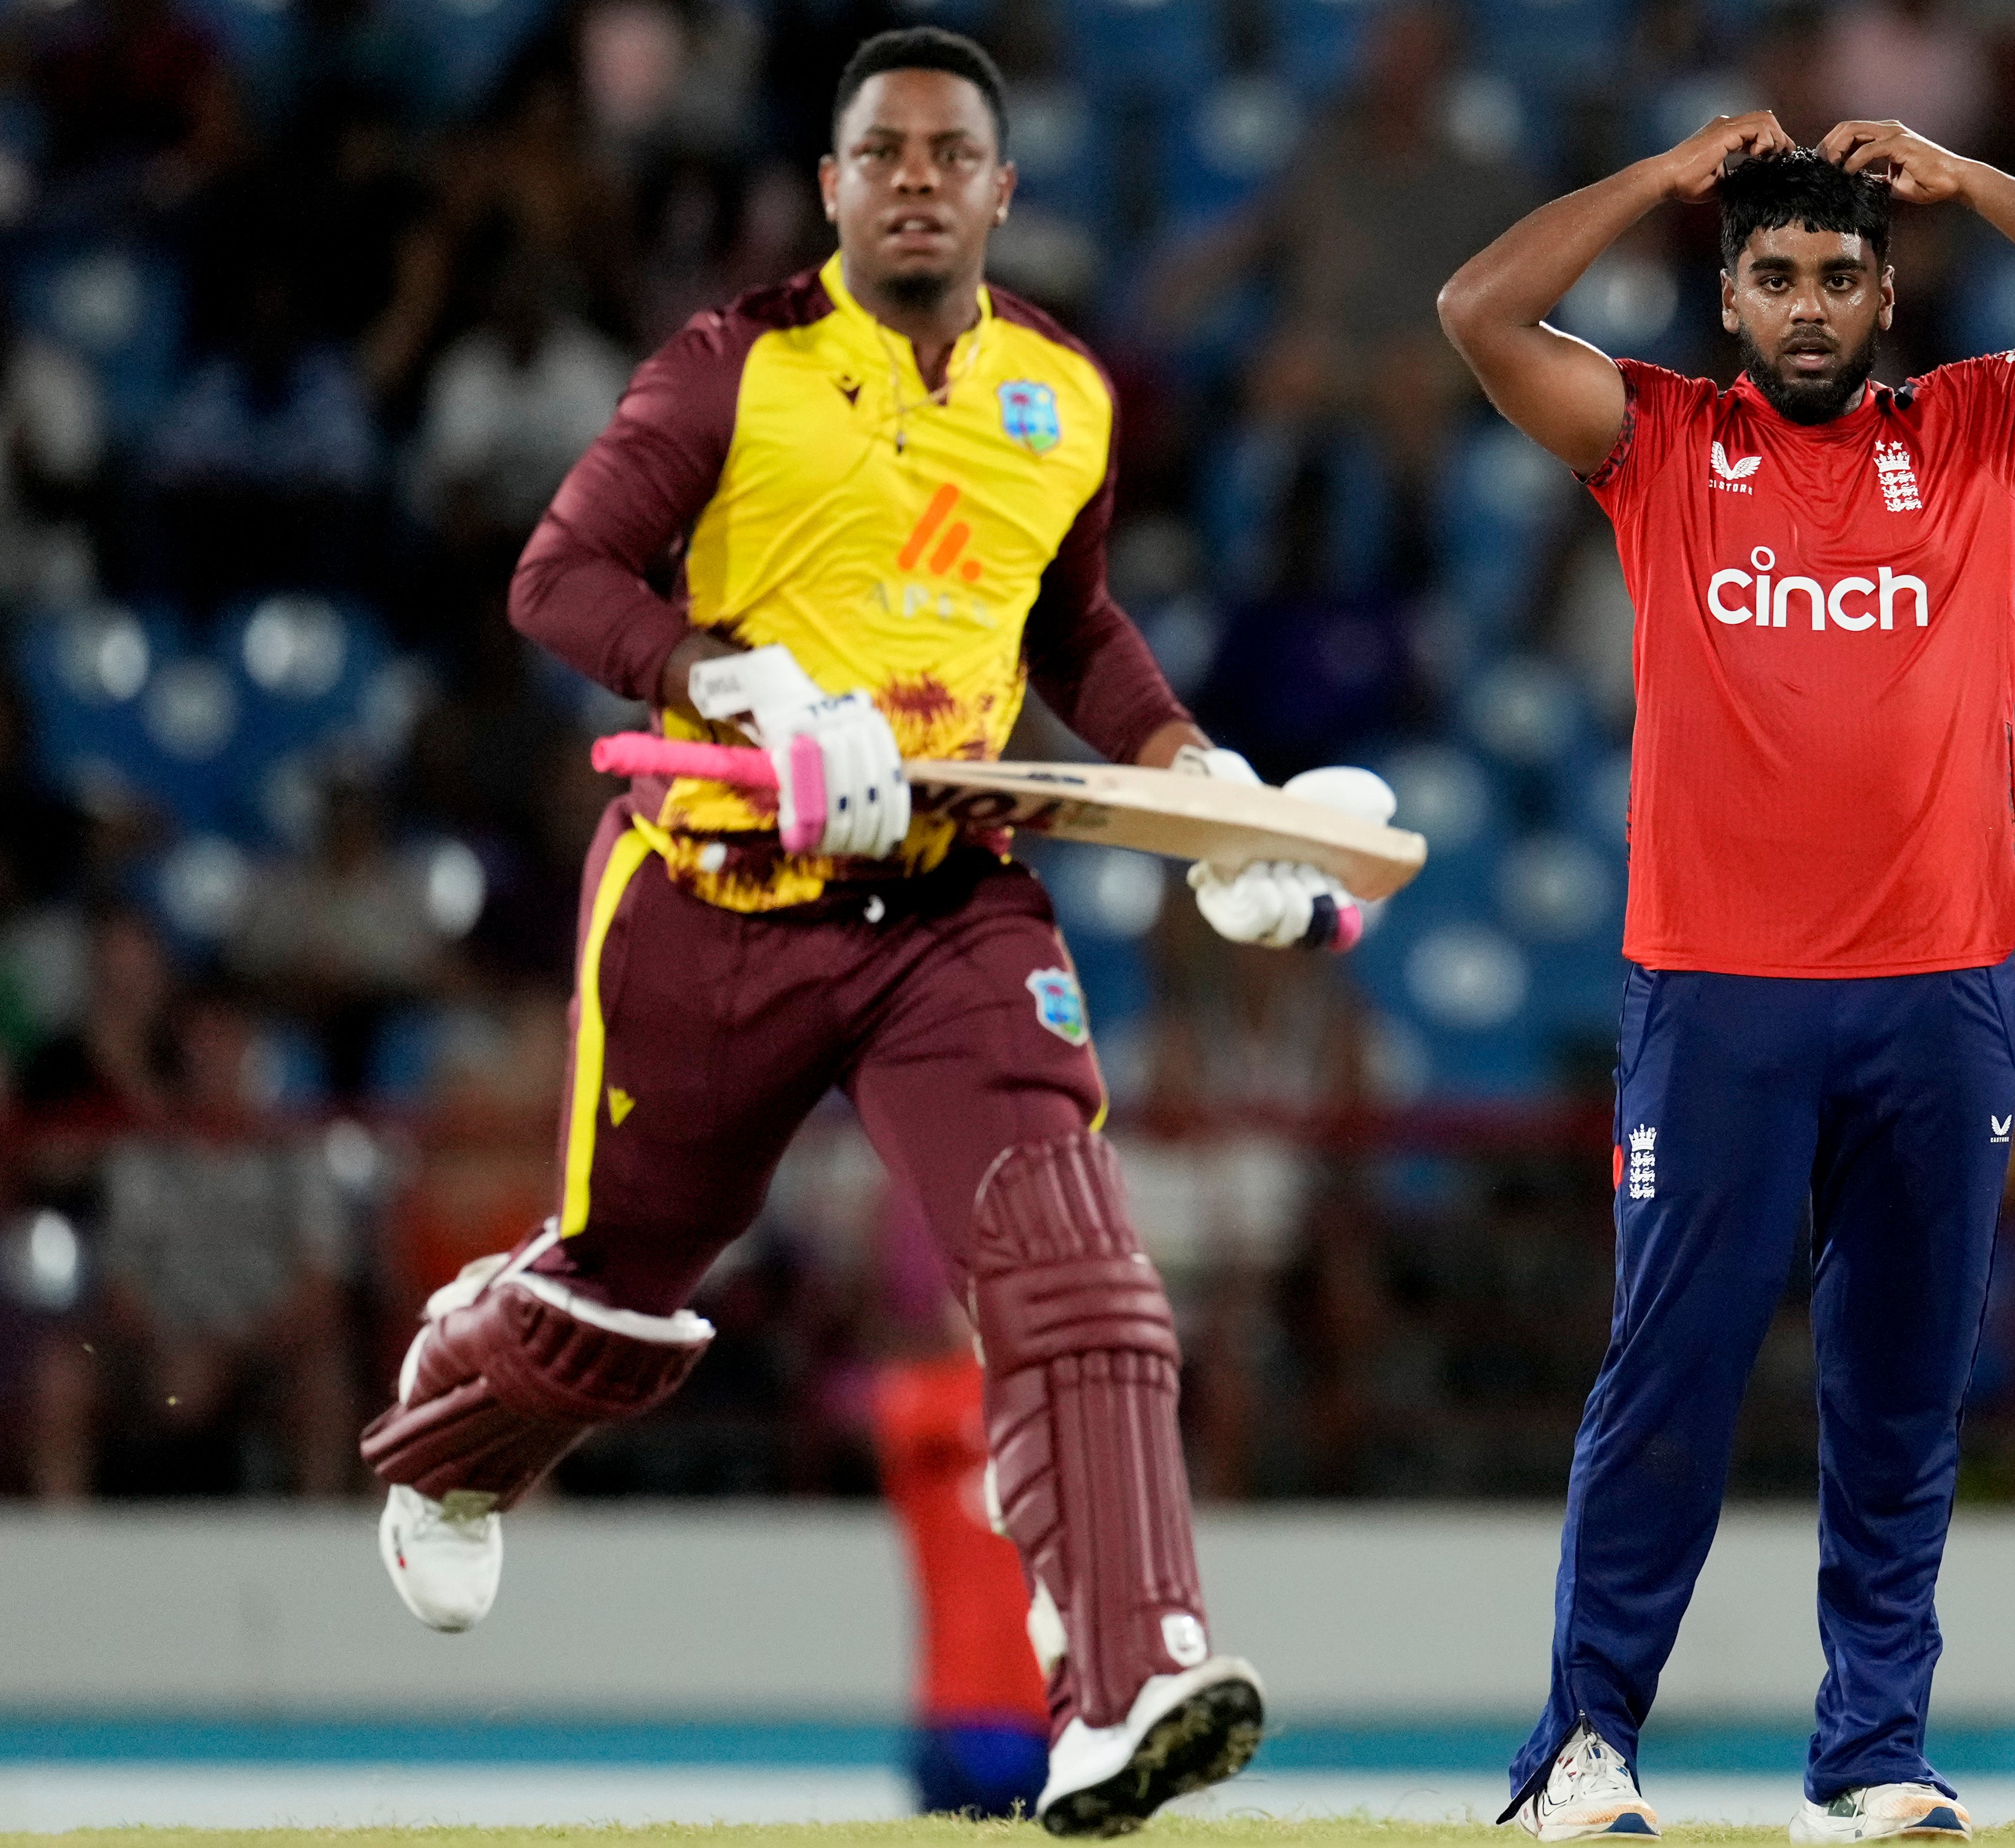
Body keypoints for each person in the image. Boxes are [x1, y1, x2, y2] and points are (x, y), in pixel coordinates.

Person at [356, 28, 1390, 1834]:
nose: (917, 176)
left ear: (1002, 189)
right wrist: (726, 678)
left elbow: (1069, 628)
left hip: (953, 910)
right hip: (711, 894)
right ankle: (453, 1433)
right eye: (882, 152)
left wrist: (1199, 776)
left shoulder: (1063, 394)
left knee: (1079, 1271)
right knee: (621, 1295)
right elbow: (557, 577)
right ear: (833, 189)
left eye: (951, 153)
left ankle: (1129, 1683)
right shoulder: (729, 368)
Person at [1439, 115, 2015, 1840]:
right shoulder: (1657, 442)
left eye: (1840, 277)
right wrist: (1651, 174)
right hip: (1718, 993)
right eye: (1774, 276)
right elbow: (1482, 311)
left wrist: (1980, 178)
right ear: (1725, 297)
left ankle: (1868, 1762)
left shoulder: (1979, 426)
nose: (1808, 306)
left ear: (1886, 294)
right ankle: (1583, 1751)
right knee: (1673, 1375)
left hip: (1941, 991)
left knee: (1903, 1393)